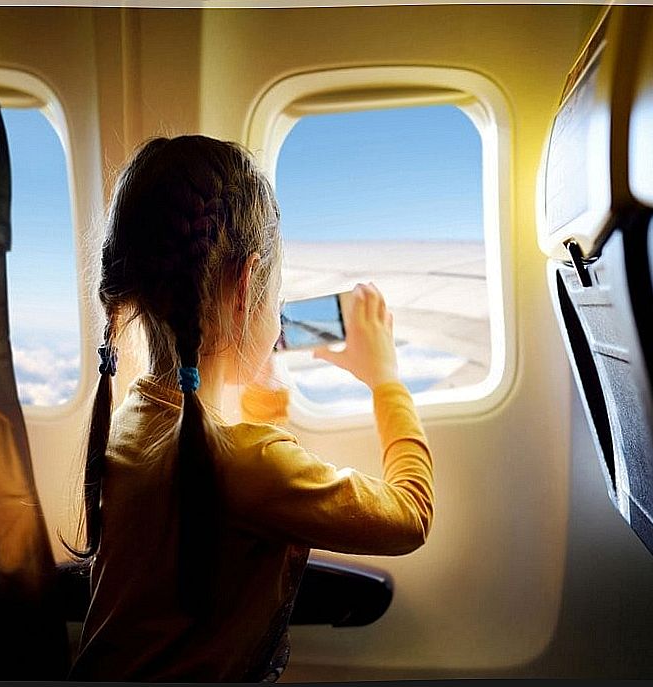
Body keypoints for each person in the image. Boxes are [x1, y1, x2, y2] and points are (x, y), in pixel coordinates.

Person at [67, 135, 434, 682]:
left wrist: (260, 378)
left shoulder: (132, 421)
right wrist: (385, 379)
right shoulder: (248, 464)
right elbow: (410, 517)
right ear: (246, 285)